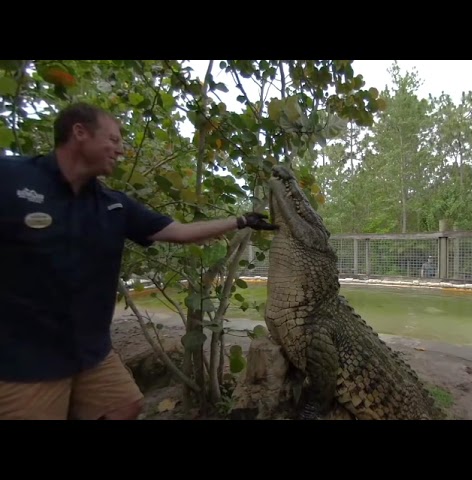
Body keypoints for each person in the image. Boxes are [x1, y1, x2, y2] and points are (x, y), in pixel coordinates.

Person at [0, 102, 276, 420]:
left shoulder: (114, 206)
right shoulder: (13, 179)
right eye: (114, 140)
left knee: (123, 406)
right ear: (80, 132)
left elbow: (180, 231)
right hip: (27, 359)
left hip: (90, 353)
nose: (121, 150)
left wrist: (240, 221)